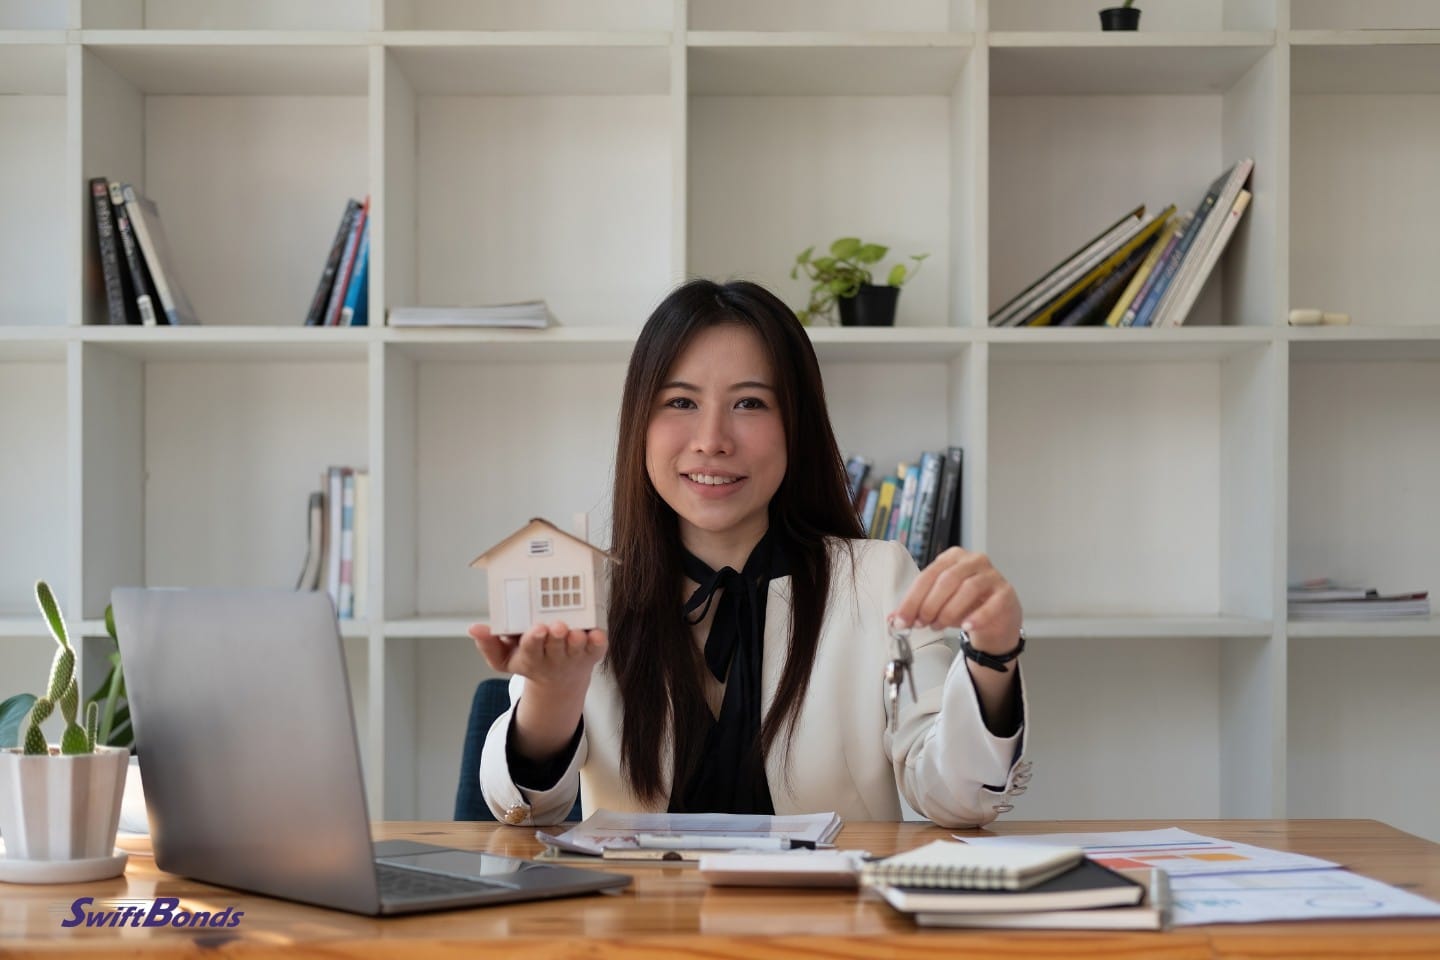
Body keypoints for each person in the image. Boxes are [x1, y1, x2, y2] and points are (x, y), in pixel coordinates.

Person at [470, 279, 1030, 828]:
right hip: (638, 919)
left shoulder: (877, 579)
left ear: (796, 425)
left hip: (831, 917)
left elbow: (959, 798)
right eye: (681, 401)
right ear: (639, 421)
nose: (712, 439)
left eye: (750, 402)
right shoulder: (588, 585)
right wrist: (555, 691)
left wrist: (993, 654)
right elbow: (525, 810)